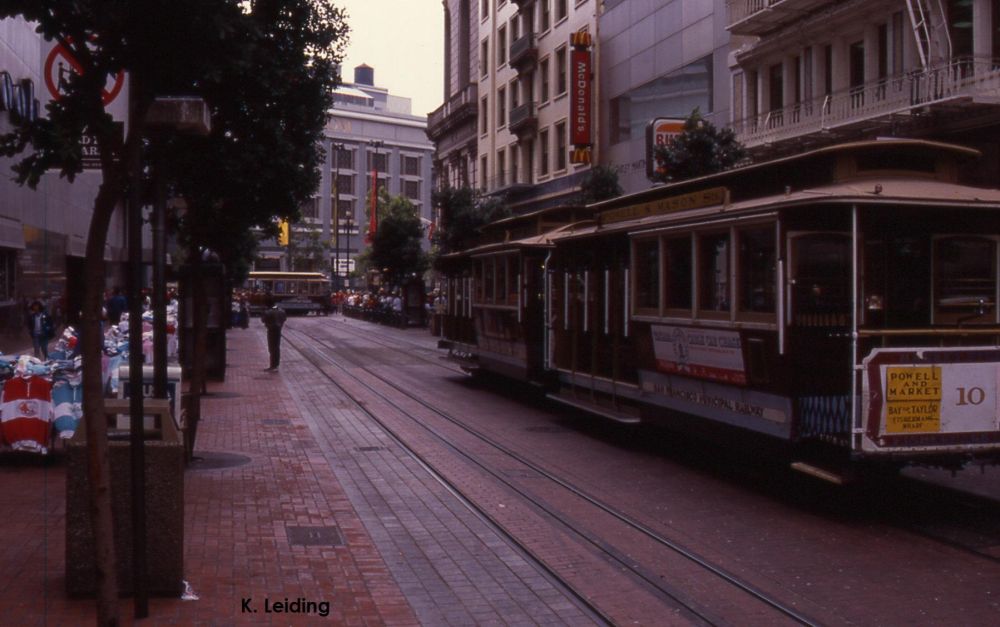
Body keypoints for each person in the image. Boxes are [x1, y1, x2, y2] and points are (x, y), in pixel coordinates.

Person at [261, 298, 287, 370]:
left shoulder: (268, 312)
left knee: (272, 348)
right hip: (278, 330)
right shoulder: (282, 311)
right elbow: (284, 319)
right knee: (277, 348)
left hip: (271, 331)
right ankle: (276, 364)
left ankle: (273, 365)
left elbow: (263, 320)